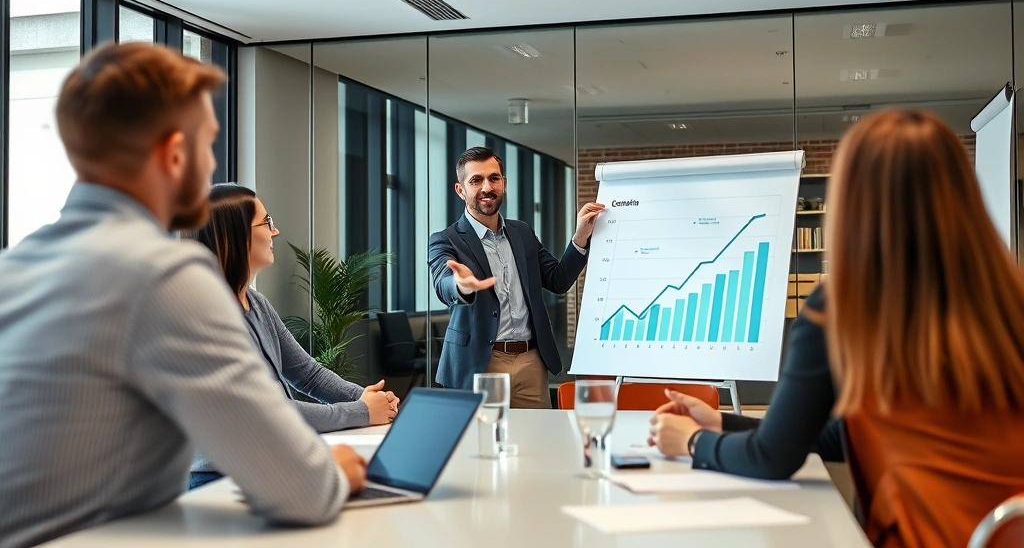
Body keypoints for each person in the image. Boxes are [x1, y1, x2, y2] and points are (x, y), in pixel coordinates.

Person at [0, 43, 366, 548]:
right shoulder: (163, 275)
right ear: (175, 153)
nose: (211, 162)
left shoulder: (13, 269)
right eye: (208, 143)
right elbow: (299, 490)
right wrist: (338, 470)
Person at [648, 109, 1024, 548]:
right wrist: (722, 422)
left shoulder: (845, 306)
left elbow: (772, 458)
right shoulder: (1006, 300)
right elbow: (857, 434)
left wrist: (693, 442)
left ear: (853, 204)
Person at [183, 183, 399, 489]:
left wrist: (369, 398)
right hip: (218, 480)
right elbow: (267, 412)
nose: (275, 232)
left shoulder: (256, 303)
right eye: (266, 222)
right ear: (235, 236)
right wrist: (361, 411)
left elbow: (308, 375)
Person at [428, 146, 605, 407]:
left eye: (494, 178)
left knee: (537, 432)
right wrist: (461, 285)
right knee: (484, 433)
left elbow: (558, 280)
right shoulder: (445, 240)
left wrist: (580, 237)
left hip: (530, 361)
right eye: (476, 180)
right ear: (460, 190)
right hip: (479, 363)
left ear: (504, 183)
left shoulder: (522, 232)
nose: (487, 187)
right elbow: (443, 283)